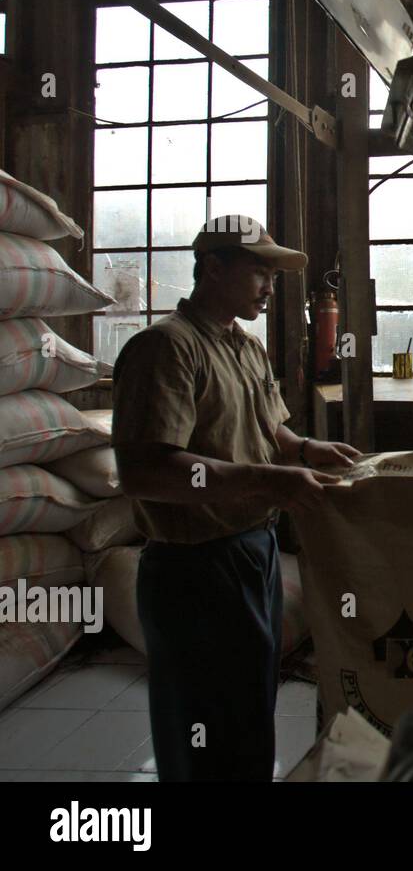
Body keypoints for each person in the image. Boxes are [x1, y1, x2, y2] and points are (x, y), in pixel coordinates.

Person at [112, 215, 362, 781]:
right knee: (202, 723)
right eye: (259, 272)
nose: (271, 288)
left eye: (274, 275)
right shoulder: (165, 348)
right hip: (193, 568)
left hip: (253, 550)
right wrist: (269, 482)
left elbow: (271, 428)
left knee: (248, 711)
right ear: (213, 268)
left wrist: (304, 449)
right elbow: (146, 471)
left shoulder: (244, 347)